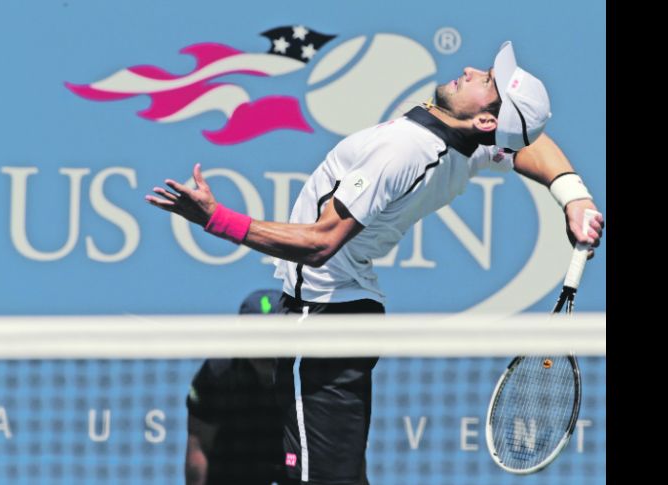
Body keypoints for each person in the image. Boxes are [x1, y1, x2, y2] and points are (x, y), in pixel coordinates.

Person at [148, 41, 605, 485]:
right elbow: (529, 145)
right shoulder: (467, 142)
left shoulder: (407, 149)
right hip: (342, 317)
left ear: (487, 118)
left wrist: (217, 220)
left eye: (486, 80)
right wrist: (574, 195)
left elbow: (321, 242)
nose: (469, 70)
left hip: (322, 322)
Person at [185, 289, 287, 485]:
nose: (265, 347)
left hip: (293, 449)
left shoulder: (310, 371)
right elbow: (199, 445)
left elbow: (338, 448)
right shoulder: (218, 371)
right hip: (239, 453)